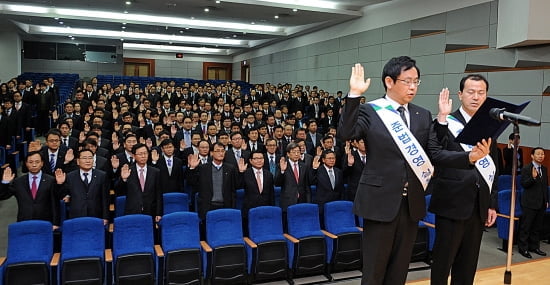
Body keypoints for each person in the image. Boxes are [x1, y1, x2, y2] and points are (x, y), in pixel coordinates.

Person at [338, 57, 490, 285]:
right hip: (380, 202)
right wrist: (353, 95)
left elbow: (435, 153)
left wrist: (469, 157)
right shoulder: (370, 110)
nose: (412, 87)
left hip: (411, 204)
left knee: (399, 271)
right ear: (389, 81)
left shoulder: (421, 115)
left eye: (416, 82)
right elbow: (347, 133)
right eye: (407, 81)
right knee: (374, 272)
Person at [429, 74, 498, 284]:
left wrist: (491, 203)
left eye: (481, 93)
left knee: (468, 266)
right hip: (451, 204)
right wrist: (441, 118)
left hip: (477, 206)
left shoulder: (489, 127)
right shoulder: (445, 122)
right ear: (460, 95)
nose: (476, 97)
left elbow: (493, 169)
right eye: (470, 92)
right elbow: (436, 152)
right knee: (443, 263)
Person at [0, 151, 60, 228]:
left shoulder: (51, 180)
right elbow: (3, 195)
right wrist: (5, 182)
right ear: (26, 163)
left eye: (37, 162)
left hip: (46, 222)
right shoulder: (18, 182)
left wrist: (56, 223)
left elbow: (55, 203)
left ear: (42, 163)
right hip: (24, 222)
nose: (34, 165)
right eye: (30, 162)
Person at [187, 142, 246, 220]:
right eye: (218, 151)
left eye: (222, 151)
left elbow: (237, 186)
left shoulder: (230, 168)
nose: (221, 153)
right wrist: (192, 169)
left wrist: (241, 173)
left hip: (226, 206)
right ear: (211, 153)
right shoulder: (203, 168)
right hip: (208, 206)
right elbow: (192, 183)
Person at [55, 149, 109, 225]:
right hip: (76, 216)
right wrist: (60, 184)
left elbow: (105, 198)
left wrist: (105, 217)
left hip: (96, 216)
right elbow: (62, 196)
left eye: (90, 158)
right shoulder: (70, 176)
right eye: (84, 158)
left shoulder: (102, 175)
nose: (88, 160)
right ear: (78, 161)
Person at [117, 143, 163, 222]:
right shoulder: (128, 171)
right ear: (134, 156)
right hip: (132, 211)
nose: (143, 156)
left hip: (150, 211)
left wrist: (159, 213)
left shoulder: (155, 172)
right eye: (140, 154)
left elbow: (158, 194)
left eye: (145, 153)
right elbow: (119, 191)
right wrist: (124, 179)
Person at [518, 147, 548, 258]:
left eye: (542, 154)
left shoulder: (544, 169)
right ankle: (523, 249)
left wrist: (547, 200)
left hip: (541, 202)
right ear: (532, 156)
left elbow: (545, 186)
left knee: (537, 227)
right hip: (529, 203)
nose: (541, 156)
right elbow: (524, 184)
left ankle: (534, 247)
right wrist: (533, 178)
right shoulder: (526, 168)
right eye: (538, 154)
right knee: (526, 227)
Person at [241, 150, 275, 219]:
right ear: (250, 161)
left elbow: (271, 194)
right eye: (256, 158)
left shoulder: (269, 174)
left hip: (266, 209)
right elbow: (238, 185)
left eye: (261, 158)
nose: (259, 161)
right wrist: (241, 173)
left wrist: (272, 209)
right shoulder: (245, 174)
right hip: (249, 210)